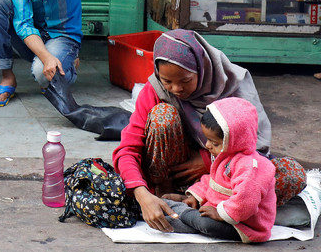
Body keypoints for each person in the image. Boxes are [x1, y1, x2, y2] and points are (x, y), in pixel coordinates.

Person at [112, 29, 307, 233]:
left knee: (292, 174)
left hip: (225, 179)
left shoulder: (233, 87)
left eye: (185, 80)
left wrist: (209, 162)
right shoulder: (155, 89)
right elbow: (128, 149)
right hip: (173, 175)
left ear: (202, 67)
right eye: (167, 81)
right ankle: (167, 197)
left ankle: (210, 205)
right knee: (163, 116)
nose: (176, 89)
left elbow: (253, 150)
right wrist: (142, 195)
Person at [161, 98, 276, 242]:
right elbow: (213, 181)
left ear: (236, 139)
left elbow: (246, 203)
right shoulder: (226, 157)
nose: (208, 146)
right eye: (207, 140)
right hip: (218, 211)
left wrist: (220, 214)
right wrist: (196, 197)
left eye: (214, 143)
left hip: (243, 225)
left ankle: (178, 214)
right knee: (199, 220)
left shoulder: (251, 166)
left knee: (205, 224)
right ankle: (171, 214)